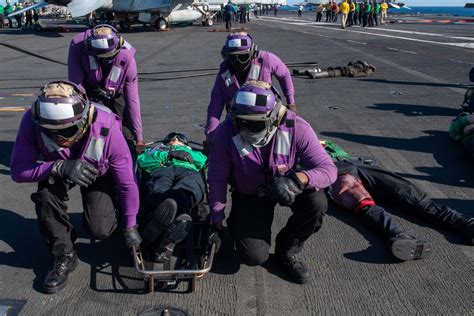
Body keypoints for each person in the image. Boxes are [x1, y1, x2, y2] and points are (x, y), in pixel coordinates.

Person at [10, 81, 141, 294]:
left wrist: (130, 225)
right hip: (58, 168)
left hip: (97, 171)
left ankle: (112, 207)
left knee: (100, 229)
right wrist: (59, 167)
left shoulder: (108, 126)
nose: (59, 138)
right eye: (50, 132)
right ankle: (64, 254)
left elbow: (127, 182)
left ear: (83, 120)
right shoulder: (31, 121)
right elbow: (18, 170)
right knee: (45, 197)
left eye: (67, 130)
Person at [208, 81, 337, 284]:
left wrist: (297, 180)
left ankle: (287, 250)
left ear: (274, 117)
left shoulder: (297, 128)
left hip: (287, 185)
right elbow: (217, 175)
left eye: (256, 123)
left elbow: (329, 170)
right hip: (250, 194)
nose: (247, 129)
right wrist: (217, 212)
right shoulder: (226, 131)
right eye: (242, 122)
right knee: (253, 257)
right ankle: (238, 222)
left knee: (317, 203)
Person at [321, 140, 473, 252]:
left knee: (408, 193)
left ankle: (464, 224)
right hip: (333, 170)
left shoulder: (322, 140)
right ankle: (399, 237)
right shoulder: (299, 140)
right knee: (359, 199)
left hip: (359, 164)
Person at [205, 32, 296, 145]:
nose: (238, 62)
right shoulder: (224, 74)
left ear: (253, 53)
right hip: (239, 123)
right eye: (233, 58)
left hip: (267, 120)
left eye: (243, 57)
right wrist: (211, 136)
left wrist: (291, 102)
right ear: (226, 56)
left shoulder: (266, 60)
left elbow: (284, 74)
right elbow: (215, 107)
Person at [67, 24, 144, 150]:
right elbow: (77, 87)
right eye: (100, 57)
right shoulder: (78, 45)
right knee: (90, 128)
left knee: (126, 132)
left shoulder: (127, 58)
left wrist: (139, 138)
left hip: (115, 91)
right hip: (88, 89)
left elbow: (132, 100)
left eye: (109, 57)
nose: (105, 60)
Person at [137, 132, 207, 262]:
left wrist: (185, 152)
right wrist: (168, 153)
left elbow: (201, 161)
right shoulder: (156, 149)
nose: (175, 139)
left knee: (189, 187)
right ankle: (174, 222)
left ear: (185, 144)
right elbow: (143, 161)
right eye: (172, 138)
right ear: (165, 142)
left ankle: (156, 229)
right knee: (158, 188)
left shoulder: (191, 151)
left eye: (179, 139)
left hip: (188, 170)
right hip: (161, 169)